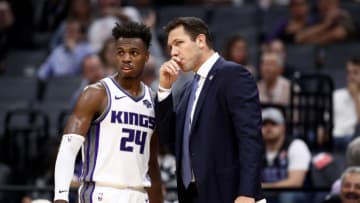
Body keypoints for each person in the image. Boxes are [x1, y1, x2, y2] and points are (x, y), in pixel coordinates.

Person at [155, 16, 264, 203]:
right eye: (170, 47)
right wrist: (164, 88)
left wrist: (247, 192)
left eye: (178, 43)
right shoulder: (189, 88)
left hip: (228, 193)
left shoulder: (233, 74)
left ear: (200, 41)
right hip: (192, 193)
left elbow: (250, 138)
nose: (173, 52)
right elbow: (167, 137)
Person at [53, 21, 163, 203]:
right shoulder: (96, 93)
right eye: (121, 53)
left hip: (139, 194)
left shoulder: (153, 100)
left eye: (134, 53)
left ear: (146, 56)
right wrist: (60, 198)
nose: (126, 58)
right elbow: (68, 148)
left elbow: (151, 163)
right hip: (102, 193)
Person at [333, 57, 360, 151]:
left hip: (353, 139)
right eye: (348, 73)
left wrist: (356, 97)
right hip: (333, 137)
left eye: (355, 73)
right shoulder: (336, 95)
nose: (351, 77)